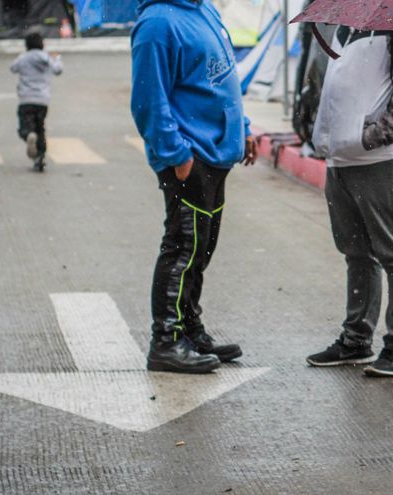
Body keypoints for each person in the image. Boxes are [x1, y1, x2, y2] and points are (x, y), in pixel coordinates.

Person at [131, 0, 257, 374]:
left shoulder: (204, 11)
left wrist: (243, 127)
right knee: (182, 249)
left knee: (201, 249)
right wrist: (175, 152)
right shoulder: (157, 24)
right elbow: (148, 99)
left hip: (217, 154)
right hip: (190, 156)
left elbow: (222, 80)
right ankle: (165, 342)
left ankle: (189, 330)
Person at [305, 27, 393, 377]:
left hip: (382, 158)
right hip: (340, 158)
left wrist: (369, 138)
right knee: (356, 254)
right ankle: (356, 339)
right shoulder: (345, 23)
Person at [10, 32, 62, 172]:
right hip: (42, 100)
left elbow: (13, 68)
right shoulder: (46, 57)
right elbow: (58, 70)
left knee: (25, 128)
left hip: (26, 99)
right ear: (42, 44)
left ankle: (28, 135)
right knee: (40, 129)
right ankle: (40, 158)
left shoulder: (23, 57)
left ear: (26, 45)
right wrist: (57, 58)